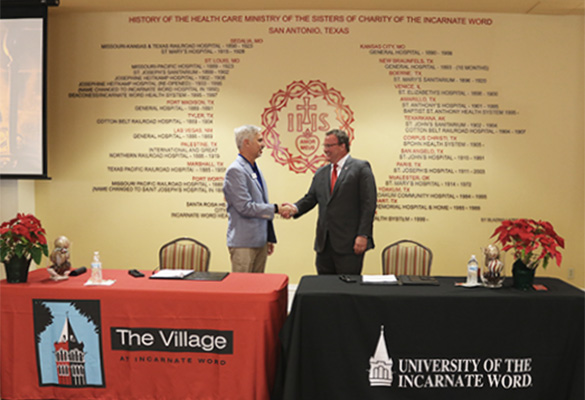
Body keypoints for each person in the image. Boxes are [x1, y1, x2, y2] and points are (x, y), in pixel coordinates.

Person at [282, 129, 377, 275]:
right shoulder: (321, 173)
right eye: (324, 146)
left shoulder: (360, 168)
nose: (325, 150)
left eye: (329, 146)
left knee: (347, 290)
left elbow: (368, 205)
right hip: (324, 245)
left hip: (350, 243)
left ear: (342, 146)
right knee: (324, 289)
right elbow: (310, 198)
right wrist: (295, 208)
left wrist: (363, 235)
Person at [223, 125, 282, 273]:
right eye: (260, 140)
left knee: (257, 290)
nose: (264, 145)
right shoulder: (235, 170)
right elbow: (245, 207)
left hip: (259, 241)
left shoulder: (254, 168)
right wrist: (276, 209)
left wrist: (268, 236)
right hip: (244, 244)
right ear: (246, 143)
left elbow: (261, 203)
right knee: (241, 292)